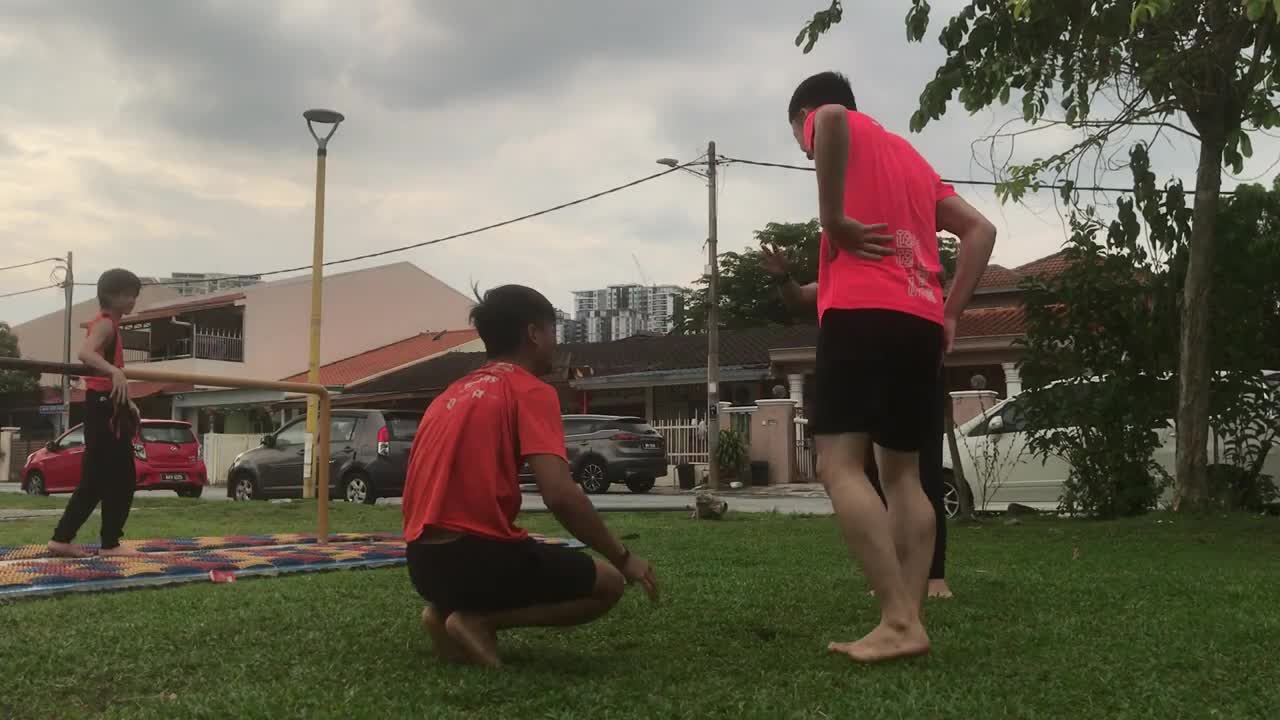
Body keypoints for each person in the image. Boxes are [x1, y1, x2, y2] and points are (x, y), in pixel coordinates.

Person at [775, 71, 995, 662]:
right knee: (902, 475)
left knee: (839, 464)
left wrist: (833, 222)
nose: (804, 145)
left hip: (862, 316)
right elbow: (981, 229)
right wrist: (950, 314)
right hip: (920, 320)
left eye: (799, 134)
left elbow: (835, 120)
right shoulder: (910, 157)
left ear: (803, 118)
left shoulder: (833, 122)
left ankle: (898, 619)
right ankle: (909, 620)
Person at [402, 284, 659, 668]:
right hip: (474, 561)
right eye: (553, 332)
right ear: (533, 333)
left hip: (423, 565)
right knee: (607, 584)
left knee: (512, 550)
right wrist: (623, 557)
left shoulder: (451, 394)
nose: (555, 344)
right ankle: (477, 620)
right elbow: (560, 495)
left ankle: (441, 614)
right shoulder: (530, 391)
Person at [760, 249, 953, 599]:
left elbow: (978, 232)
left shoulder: (903, 270)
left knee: (921, 473)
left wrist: (949, 314)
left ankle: (934, 577)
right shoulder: (847, 274)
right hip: (868, 371)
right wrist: (782, 277)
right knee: (882, 477)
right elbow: (800, 298)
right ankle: (896, 583)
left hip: (911, 363)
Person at [48, 268, 143, 558]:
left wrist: (128, 403)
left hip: (107, 405)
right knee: (121, 478)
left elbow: (104, 372)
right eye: (129, 295)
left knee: (97, 479)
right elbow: (86, 354)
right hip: (102, 408)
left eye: (135, 296)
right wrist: (115, 371)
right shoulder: (105, 324)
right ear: (112, 296)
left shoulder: (110, 324)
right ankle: (110, 544)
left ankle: (64, 539)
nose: (132, 301)